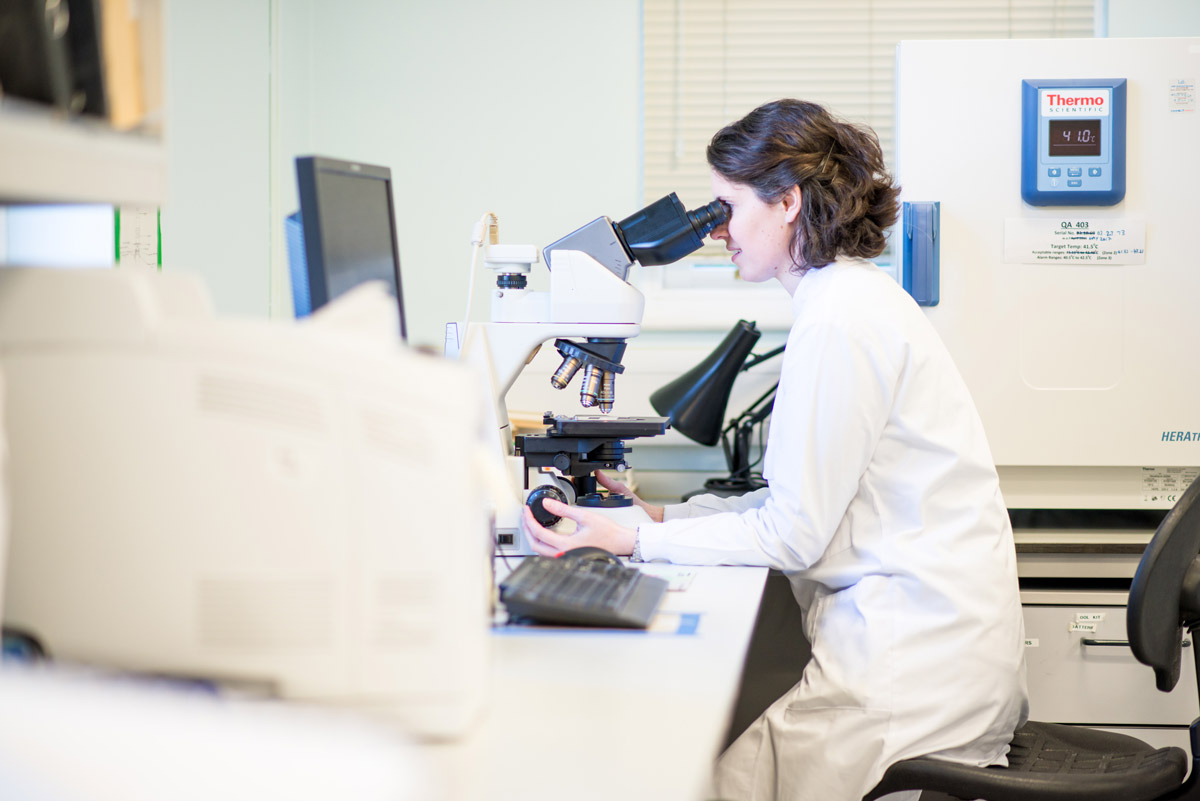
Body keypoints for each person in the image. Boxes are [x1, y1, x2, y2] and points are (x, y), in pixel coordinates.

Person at [521, 98, 1028, 801]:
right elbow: (805, 499)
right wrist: (666, 521)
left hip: (909, 684)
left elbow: (795, 534)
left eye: (726, 206)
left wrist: (631, 544)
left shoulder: (838, 321)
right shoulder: (848, 299)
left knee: (699, 785)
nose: (714, 229)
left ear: (787, 201)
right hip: (924, 650)